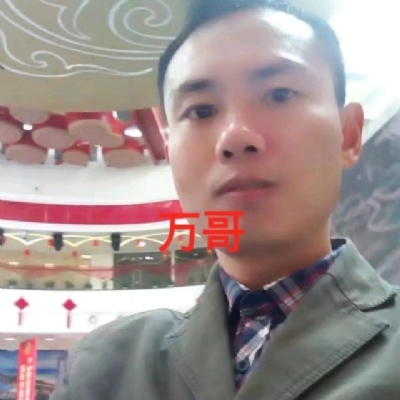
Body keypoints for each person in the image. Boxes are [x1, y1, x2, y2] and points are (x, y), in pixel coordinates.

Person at [51, 1, 400, 399]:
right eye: (201, 111)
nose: (235, 136)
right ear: (170, 150)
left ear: (348, 134)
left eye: (279, 94)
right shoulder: (106, 367)